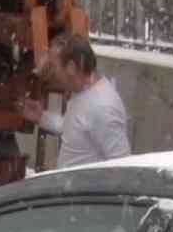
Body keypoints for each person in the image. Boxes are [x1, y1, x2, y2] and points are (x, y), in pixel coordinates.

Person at [21, 34, 131, 168]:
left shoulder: (103, 107)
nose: (51, 73)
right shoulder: (82, 93)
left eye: (54, 66)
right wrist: (41, 117)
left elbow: (122, 166)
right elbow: (75, 130)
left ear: (71, 67)